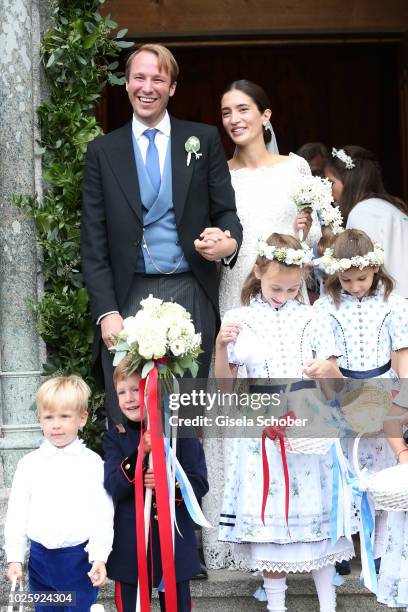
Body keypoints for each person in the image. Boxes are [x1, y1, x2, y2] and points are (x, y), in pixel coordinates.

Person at [81, 43, 242, 425]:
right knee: (133, 415)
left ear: (171, 87)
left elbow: (227, 212)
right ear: (126, 83)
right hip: (129, 293)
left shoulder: (201, 140)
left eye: (158, 78)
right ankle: (138, 486)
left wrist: (228, 241)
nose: (147, 87)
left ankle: (187, 486)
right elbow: (93, 240)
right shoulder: (103, 151)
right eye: (139, 77)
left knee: (188, 415)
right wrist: (106, 312)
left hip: (191, 289)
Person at [203, 79, 321, 569]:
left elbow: (315, 235)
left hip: (289, 294)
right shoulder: (218, 173)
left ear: (266, 115)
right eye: (227, 111)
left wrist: (305, 230)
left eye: (244, 109)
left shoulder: (295, 168)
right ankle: (239, 535)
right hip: (237, 293)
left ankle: (301, 528)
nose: (235, 119)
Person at [215, 233, 354, 612]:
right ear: (258, 272)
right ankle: (277, 606)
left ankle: (329, 605)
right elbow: (227, 388)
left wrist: (325, 368)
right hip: (261, 424)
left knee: (317, 525)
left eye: (293, 288)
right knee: (271, 524)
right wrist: (221, 346)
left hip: (307, 423)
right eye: (277, 287)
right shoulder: (240, 318)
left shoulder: (314, 317)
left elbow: (335, 384)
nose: (284, 294)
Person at [313, 229, 408, 571]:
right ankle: (345, 546)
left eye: (362, 279)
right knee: (348, 472)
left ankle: (381, 547)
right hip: (344, 388)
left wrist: (402, 398)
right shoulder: (325, 307)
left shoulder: (393, 304)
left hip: (384, 386)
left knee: (381, 473)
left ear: (376, 270)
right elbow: (329, 362)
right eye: (347, 279)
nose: (354, 286)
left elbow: (401, 354)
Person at [103, 356, 209, 612]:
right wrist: (140, 453)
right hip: (130, 544)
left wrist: (167, 483)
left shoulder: (180, 432)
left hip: (173, 543)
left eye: (136, 389)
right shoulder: (114, 437)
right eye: (122, 392)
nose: (128, 398)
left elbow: (199, 482)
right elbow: (113, 485)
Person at [4, 376, 114, 612]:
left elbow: (102, 515)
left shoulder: (93, 464)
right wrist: (15, 557)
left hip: (77, 561)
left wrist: (100, 556)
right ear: (39, 420)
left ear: (82, 418)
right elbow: (17, 514)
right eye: (49, 417)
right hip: (39, 562)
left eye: (64, 416)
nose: (56, 424)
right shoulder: (29, 464)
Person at [324, 145, 408, 296]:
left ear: (349, 181)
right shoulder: (387, 206)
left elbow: (360, 266)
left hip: (393, 301)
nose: (328, 190)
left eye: (331, 183)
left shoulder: (362, 212)